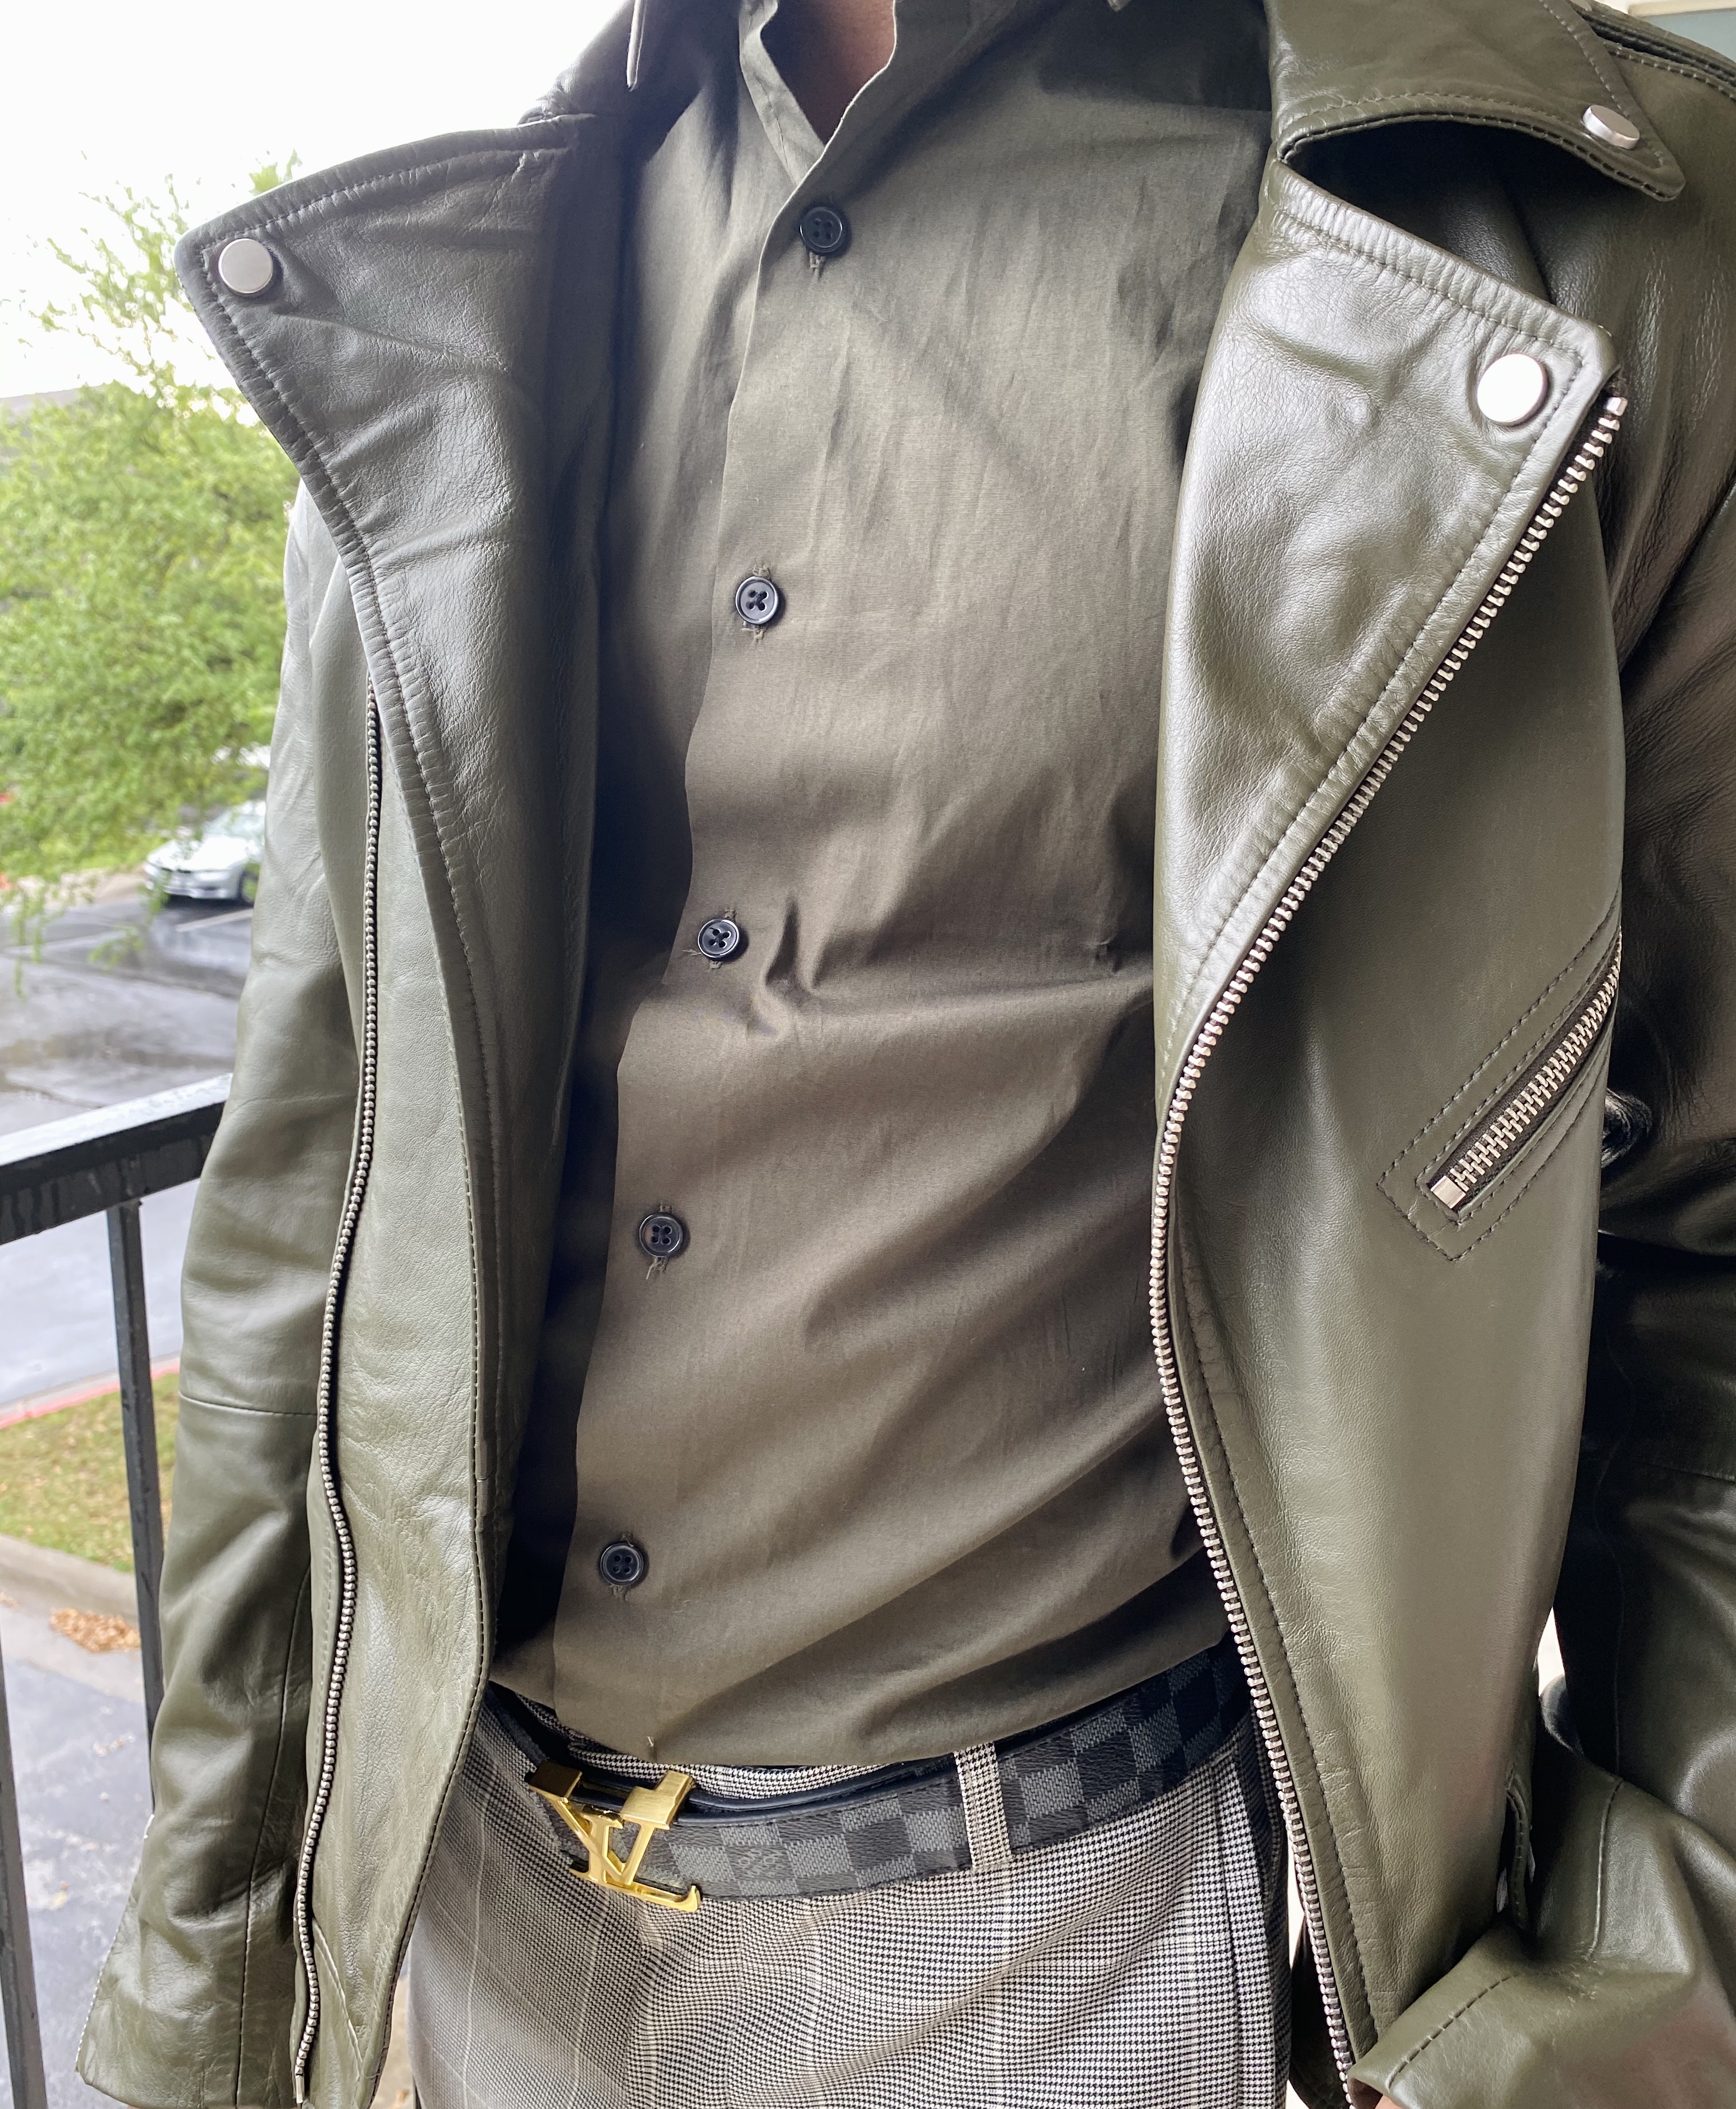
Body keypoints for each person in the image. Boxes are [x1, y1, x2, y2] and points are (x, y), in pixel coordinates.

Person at [71, 0, 1736, 2102]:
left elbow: (1713, 1251)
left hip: (1067, 1953)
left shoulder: (1578, 242)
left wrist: (1625, 2006)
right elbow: (307, 1211)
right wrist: (208, 1983)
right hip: (477, 1910)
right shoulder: (455, 280)